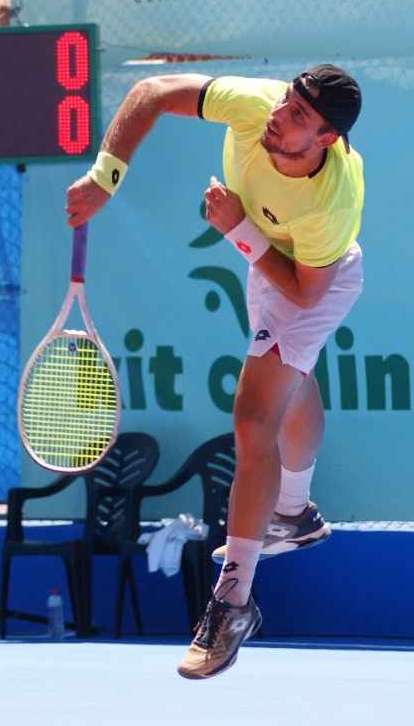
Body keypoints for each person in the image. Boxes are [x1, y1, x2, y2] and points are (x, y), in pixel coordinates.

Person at [65, 66, 364, 679]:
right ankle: (294, 512)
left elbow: (305, 294)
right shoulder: (255, 107)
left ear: (326, 139)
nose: (281, 115)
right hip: (268, 261)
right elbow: (151, 93)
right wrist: (104, 177)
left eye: (300, 117)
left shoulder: (328, 205)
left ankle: (232, 602)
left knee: (253, 421)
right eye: (288, 100)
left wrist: (238, 230)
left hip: (316, 280)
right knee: (292, 381)